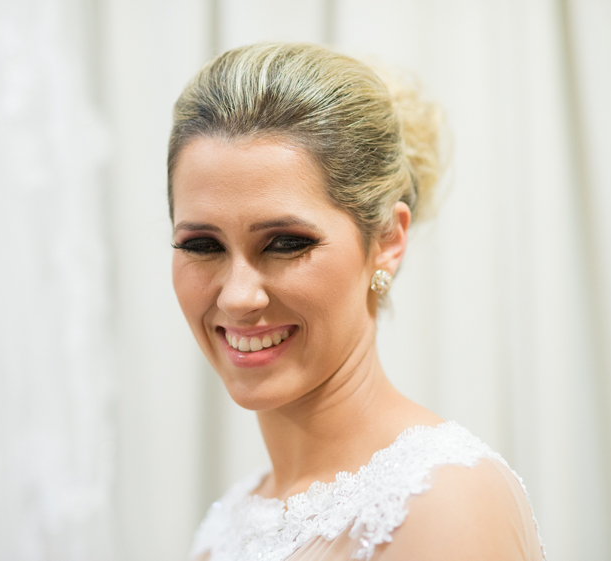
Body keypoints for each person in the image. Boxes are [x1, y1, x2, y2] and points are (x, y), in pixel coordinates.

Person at [167, 42, 545, 561]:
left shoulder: (442, 502)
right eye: (202, 246)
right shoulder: (227, 524)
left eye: (285, 243)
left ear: (387, 239)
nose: (238, 297)